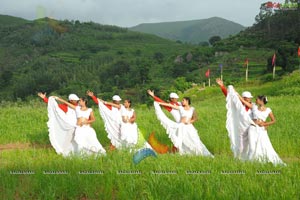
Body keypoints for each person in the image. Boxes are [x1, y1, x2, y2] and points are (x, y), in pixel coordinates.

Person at [216, 79, 256, 160]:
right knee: (241, 145)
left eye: (250, 98)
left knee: (251, 144)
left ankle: (250, 158)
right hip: (241, 128)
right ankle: (240, 158)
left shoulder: (253, 105)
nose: (250, 99)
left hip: (250, 127)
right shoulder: (239, 105)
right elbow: (229, 96)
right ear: (244, 98)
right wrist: (222, 87)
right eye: (248, 98)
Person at [247, 96, 285, 165]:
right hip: (253, 128)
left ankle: (261, 160)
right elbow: (243, 102)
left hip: (262, 129)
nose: (255, 100)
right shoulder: (254, 107)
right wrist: (235, 93)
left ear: (261, 101)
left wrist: (265, 124)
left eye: (257, 99)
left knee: (263, 145)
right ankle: (251, 162)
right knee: (252, 146)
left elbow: (274, 120)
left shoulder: (268, 110)